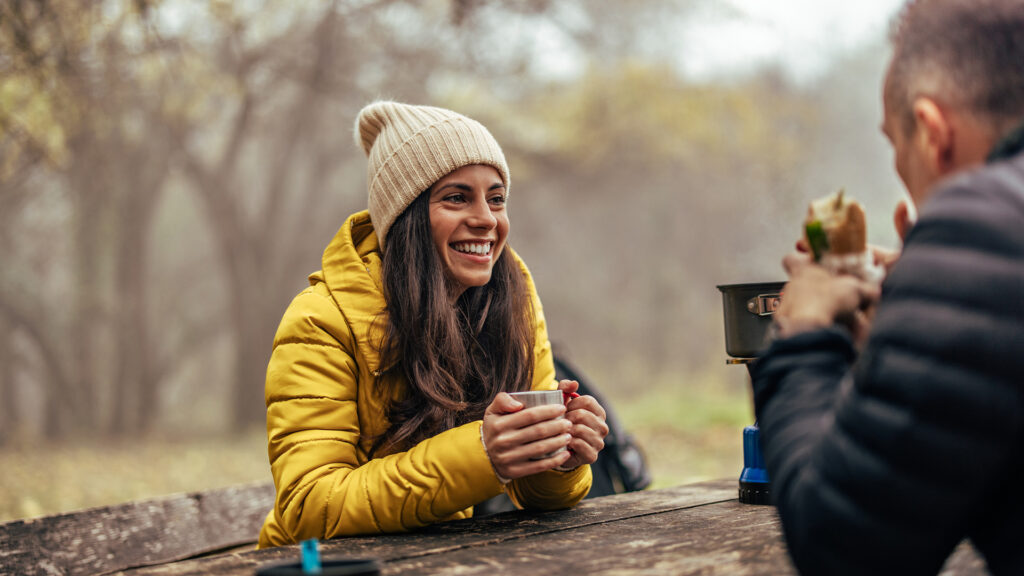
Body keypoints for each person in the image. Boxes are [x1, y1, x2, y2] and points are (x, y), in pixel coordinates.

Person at [750, 0, 1024, 574]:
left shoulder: (976, 223)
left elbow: (845, 549)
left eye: (894, 142)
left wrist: (803, 331)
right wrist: (922, 315)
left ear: (931, 133)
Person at [258, 101, 608, 548]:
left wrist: (559, 456)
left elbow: (540, 499)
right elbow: (310, 506)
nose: (486, 219)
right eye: (457, 197)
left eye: (496, 198)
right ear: (405, 217)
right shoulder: (320, 321)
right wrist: (483, 453)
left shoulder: (511, 299)